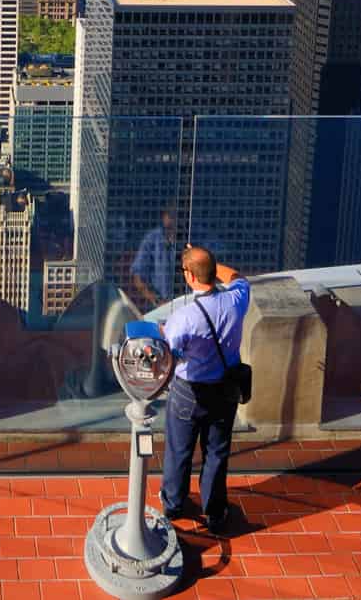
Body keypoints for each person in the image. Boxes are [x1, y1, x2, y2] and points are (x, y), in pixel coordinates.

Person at [159, 245, 250, 531]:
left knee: (179, 450)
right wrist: (210, 263)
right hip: (225, 389)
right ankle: (214, 512)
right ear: (213, 273)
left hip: (189, 390)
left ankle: (174, 505)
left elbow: (167, 352)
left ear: (189, 276)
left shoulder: (184, 317)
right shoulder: (237, 299)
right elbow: (238, 277)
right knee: (216, 452)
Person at [128, 207, 177, 310]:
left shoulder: (190, 240)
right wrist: (157, 300)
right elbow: (138, 277)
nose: (174, 220)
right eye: (171, 215)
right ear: (164, 217)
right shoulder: (152, 239)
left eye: (178, 216)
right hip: (157, 308)